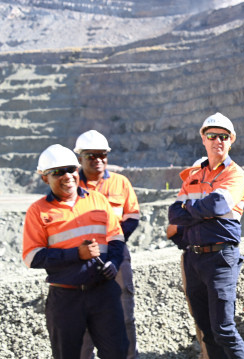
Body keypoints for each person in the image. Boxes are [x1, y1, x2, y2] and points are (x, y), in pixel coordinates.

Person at [22, 144, 128, 359]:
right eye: (57, 172)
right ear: (45, 178)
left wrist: (114, 264)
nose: (67, 176)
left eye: (71, 169)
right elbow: (31, 257)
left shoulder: (97, 200)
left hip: (103, 293)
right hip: (65, 298)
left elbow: (116, 237)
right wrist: (75, 255)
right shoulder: (38, 211)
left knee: (117, 352)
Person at [168, 113, 244, 358]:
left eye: (224, 136)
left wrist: (190, 212)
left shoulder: (235, 174)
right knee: (207, 330)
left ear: (231, 140)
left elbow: (217, 206)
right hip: (194, 260)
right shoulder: (193, 176)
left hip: (220, 259)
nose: (218, 141)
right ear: (203, 138)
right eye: (212, 136)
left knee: (224, 330)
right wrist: (200, 212)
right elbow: (174, 214)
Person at [74, 129, 140, 359]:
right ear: (80, 158)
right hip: (80, 262)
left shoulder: (121, 183)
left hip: (117, 257)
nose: (98, 160)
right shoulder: (69, 185)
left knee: (123, 317)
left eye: (102, 155)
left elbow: (132, 217)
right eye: (91, 156)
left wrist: (113, 245)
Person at [167, 156, 210, 359]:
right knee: (199, 313)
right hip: (191, 259)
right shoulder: (186, 199)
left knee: (217, 317)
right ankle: (205, 353)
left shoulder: (215, 198)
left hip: (213, 260)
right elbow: (171, 229)